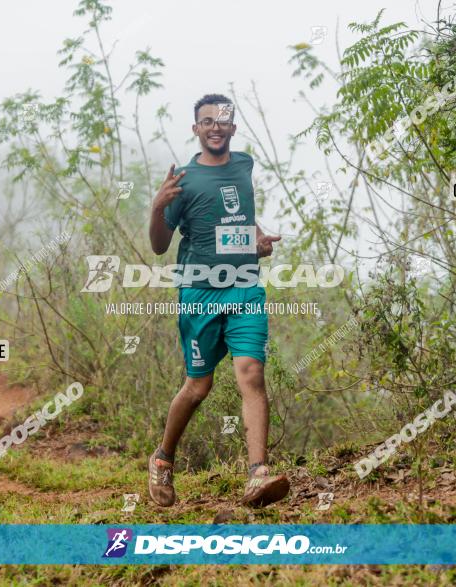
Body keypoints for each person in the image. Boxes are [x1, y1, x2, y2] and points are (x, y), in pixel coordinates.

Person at [147, 94, 287, 508]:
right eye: (206, 121)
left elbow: (241, 217)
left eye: (222, 121)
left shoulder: (244, 165)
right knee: (198, 386)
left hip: (244, 286)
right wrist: (157, 207)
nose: (215, 127)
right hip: (199, 291)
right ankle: (163, 458)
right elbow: (158, 246)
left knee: (251, 374)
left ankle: (257, 474)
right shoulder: (183, 180)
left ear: (232, 127)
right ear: (196, 129)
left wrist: (257, 240)